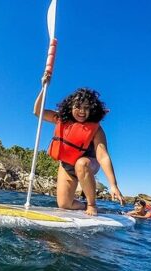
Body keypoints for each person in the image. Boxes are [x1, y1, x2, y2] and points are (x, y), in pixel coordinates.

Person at [33, 74, 124, 216]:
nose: (82, 111)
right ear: (70, 106)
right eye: (78, 107)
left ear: (92, 110)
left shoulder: (96, 129)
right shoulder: (61, 118)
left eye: (86, 108)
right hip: (67, 166)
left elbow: (103, 157)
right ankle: (90, 208)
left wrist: (113, 185)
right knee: (64, 204)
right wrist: (44, 88)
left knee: (81, 164)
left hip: (88, 163)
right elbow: (38, 112)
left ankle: (92, 205)